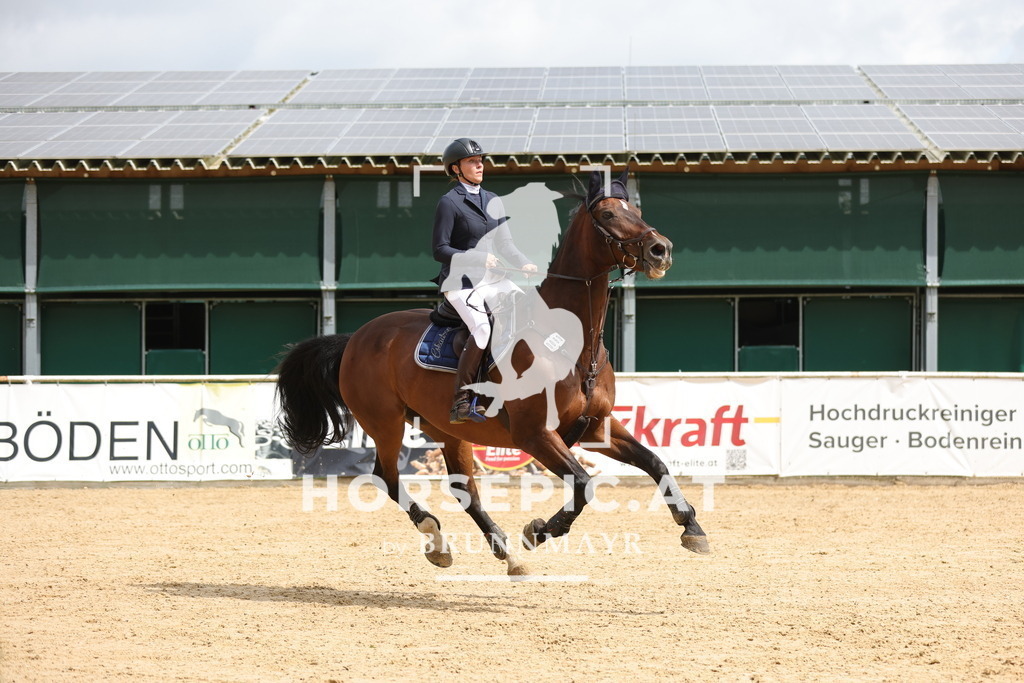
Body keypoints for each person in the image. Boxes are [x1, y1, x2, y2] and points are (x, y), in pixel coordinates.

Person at [432, 137, 538, 424]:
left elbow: (505, 245)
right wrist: (477, 258)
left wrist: (523, 262)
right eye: (472, 161)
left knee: (533, 308)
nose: (479, 165)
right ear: (456, 169)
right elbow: (439, 250)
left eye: (481, 161)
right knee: (481, 328)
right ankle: (462, 401)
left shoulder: (493, 199)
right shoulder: (449, 203)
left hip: (494, 280)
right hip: (461, 283)